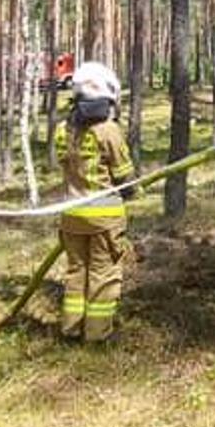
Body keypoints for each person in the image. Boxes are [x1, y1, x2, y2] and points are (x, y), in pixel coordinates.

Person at [57, 61, 137, 341]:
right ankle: (97, 336)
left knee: (76, 273)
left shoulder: (63, 129)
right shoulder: (109, 130)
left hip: (71, 215)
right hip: (104, 220)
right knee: (103, 274)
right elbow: (125, 176)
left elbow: (64, 164)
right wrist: (132, 190)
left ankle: (70, 328)